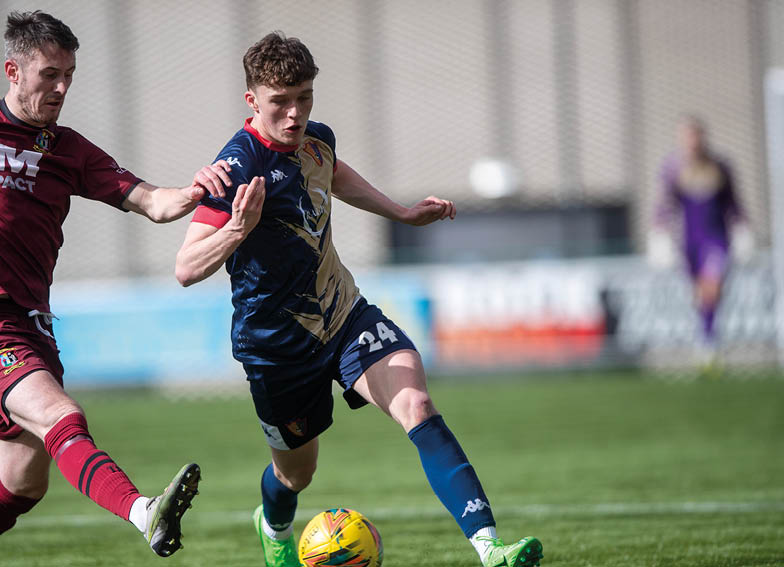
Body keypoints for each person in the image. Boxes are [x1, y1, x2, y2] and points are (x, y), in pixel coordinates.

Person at [176, 32, 544, 567]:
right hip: (276, 347)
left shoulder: (317, 139)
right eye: (280, 101)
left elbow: (335, 176)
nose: (295, 113)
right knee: (295, 473)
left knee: (417, 405)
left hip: (344, 315)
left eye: (304, 97)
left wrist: (401, 213)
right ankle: (273, 524)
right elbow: (186, 267)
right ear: (252, 100)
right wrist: (238, 229)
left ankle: (491, 549)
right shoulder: (236, 166)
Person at [0, 10, 230, 556]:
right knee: (61, 415)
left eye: (70, 76)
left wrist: (196, 189)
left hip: (33, 325)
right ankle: (143, 511)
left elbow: (152, 201)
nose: (61, 87)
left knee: (22, 480)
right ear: (14, 69)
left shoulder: (70, 149)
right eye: (49, 75)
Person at [650, 115, 753, 359]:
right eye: (686, 136)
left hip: (716, 237)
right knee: (700, 294)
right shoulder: (672, 167)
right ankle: (705, 336)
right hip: (689, 239)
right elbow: (664, 204)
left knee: (711, 286)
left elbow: (732, 202)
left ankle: (709, 343)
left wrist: (742, 228)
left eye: (695, 135)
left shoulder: (720, 166)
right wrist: (659, 232)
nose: (692, 141)